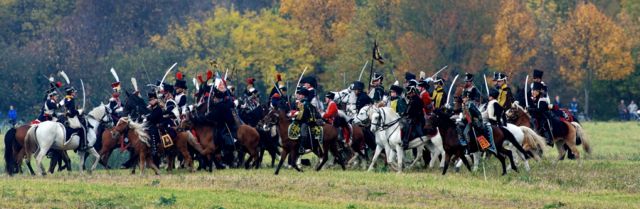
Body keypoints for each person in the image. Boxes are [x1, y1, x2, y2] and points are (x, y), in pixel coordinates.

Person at [461, 89, 496, 154]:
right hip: (468, 122)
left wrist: (478, 121)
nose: (463, 99)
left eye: (464, 98)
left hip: (474, 122)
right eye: (462, 98)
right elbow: (465, 115)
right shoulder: (464, 105)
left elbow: (478, 113)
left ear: (467, 97)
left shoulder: (470, 104)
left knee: (467, 133)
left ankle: (474, 147)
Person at [293, 87, 318, 153]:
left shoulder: (304, 103)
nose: (299, 95)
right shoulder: (303, 102)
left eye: (300, 94)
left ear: (303, 95)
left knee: (303, 132)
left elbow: (301, 115)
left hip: (306, 122)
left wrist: (295, 118)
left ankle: (302, 147)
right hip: (303, 120)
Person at [402, 85, 424, 149]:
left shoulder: (418, 99)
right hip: (411, 117)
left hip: (417, 119)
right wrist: (404, 113)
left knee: (409, 125)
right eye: (408, 93)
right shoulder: (411, 99)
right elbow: (408, 109)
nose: (409, 94)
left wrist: (411, 116)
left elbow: (418, 111)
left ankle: (405, 142)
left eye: (410, 93)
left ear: (413, 92)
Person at [145, 91, 163, 157]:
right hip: (153, 124)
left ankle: (154, 149)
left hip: (159, 125)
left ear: (156, 100)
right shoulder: (153, 108)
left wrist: (147, 118)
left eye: (152, 99)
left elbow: (153, 117)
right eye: (149, 100)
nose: (150, 101)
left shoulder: (158, 108)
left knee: (152, 130)